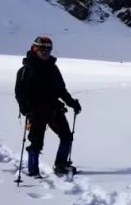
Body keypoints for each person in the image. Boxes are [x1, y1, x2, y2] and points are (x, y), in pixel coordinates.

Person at [15, 35, 82, 177]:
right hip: (35, 111)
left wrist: (73, 104)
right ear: (34, 49)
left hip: (54, 109)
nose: (45, 51)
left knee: (66, 137)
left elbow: (61, 90)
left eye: (48, 49)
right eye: (42, 48)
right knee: (36, 143)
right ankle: (33, 171)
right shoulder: (25, 70)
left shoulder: (53, 69)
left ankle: (61, 165)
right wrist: (25, 108)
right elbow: (19, 93)